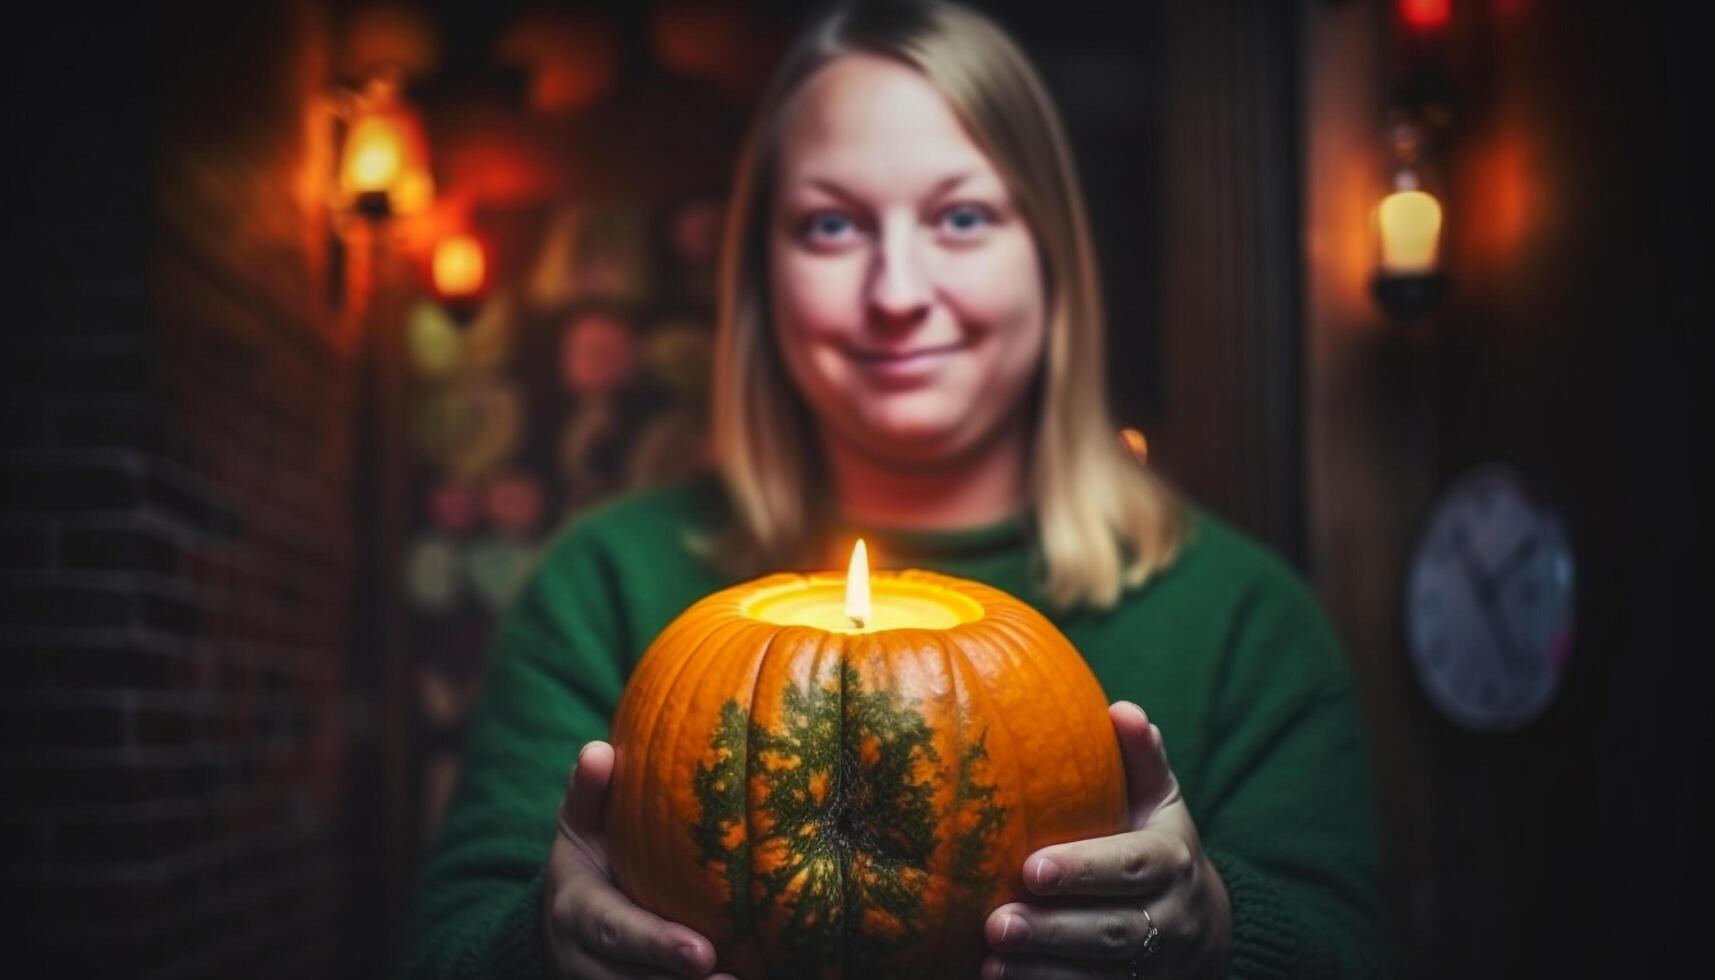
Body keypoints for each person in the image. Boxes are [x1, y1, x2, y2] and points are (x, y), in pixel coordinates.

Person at [401, 1, 1391, 977]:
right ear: (761, 278)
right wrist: (544, 941)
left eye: (962, 216)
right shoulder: (601, 588)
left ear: (1047, 254)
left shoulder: (1247, 622)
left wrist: (1216, 932)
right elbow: (442, 946)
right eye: (831, 225)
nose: (896, 291)